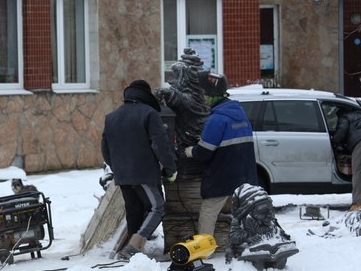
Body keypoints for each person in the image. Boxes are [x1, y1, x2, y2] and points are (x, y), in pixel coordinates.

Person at [101, 80, 178, 260]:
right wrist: (170, 168)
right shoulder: (149, 114)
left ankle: (133, 253)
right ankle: (133, 247)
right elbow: (160, 144)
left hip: (122, 174)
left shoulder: (111, 117)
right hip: (143, 173)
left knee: (133, 210)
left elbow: (105, 148)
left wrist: (117, 167)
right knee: (157, 207)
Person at [185, 71, 257, 238]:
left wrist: (190, 151)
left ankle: (204, 249)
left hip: (223, 176)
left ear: (212, 94)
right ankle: (249, 243)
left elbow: (203, 152)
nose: (203, 98)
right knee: (244, 212)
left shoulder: (217, 119)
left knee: (208, 211)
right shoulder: (240, 114)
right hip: (245, 175)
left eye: (204, 94)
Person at [332, 107, 361, 211]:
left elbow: (341, 132)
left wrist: (335, 141)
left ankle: (357, 203)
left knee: (358, 173)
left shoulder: (344, 117)